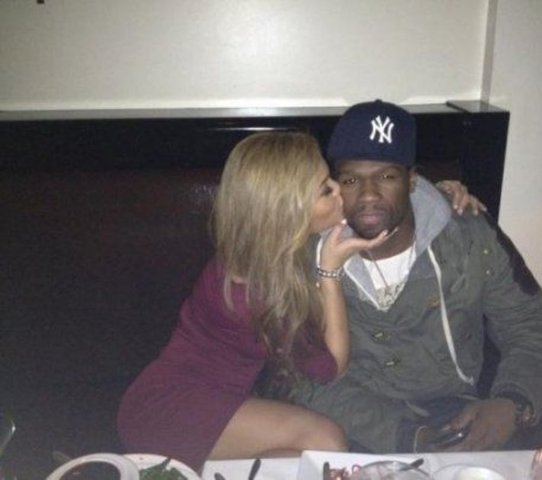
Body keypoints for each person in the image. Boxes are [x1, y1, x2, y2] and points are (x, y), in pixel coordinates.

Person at [117, 131, 480, 470]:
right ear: (289, 210)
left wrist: (443, 193)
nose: (339, 191)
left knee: (303, 461)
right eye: (325, 189)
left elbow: (390, 197)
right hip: (171, 410)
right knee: (326, 441)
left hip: (196, 399)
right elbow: (332, 367)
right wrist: (330, 272)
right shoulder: (260, 288)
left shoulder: (263, 248)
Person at [291, 100, 542, 454]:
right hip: (354, 424)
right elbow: (300, 376)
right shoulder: (306, 257)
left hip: (461, 413)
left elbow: (531, 323)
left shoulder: (468, 237)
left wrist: (513, 402)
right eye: (352, 179)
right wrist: (407, 435)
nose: (369, 194)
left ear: (412, 181)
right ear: (335, 185)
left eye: (387, 176)